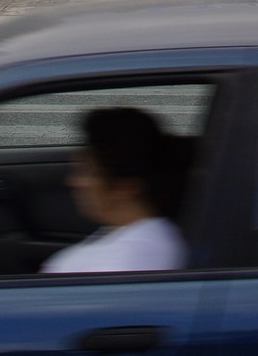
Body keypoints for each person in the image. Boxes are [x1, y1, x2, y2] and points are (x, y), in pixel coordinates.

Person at [41, 108, 188, 274]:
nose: (73, 182)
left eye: (86, 171)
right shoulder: (126, 236)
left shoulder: (130, 259)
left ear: (126, 187)